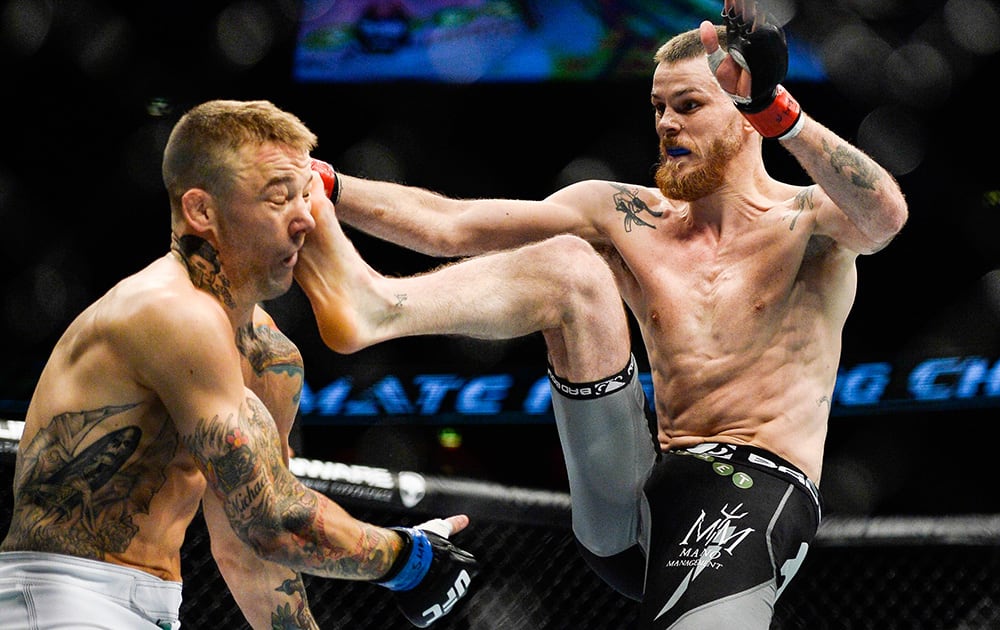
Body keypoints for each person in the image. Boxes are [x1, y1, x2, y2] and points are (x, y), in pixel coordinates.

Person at [295, 0, 910, 627]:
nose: (667, 124)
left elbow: (885, 215)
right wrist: (326, 183)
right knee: (570, 264)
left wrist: (780, 112)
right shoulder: (622, 215)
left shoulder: (809, 224)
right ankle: (376, 305)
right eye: (658, 108)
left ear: (746, 116)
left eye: (689, 106)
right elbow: (453, 224)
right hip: (633, 501)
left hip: (752, 487)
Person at [0, 99, 478, 630]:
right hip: (62, 595)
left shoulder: (272, 357)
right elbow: (275, 521)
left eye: (305, 195)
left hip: (156, 605)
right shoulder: (168, 311)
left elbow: (253, 547)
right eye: (278, 197)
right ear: (202, 211)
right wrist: (406, 559)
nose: (305, 218)